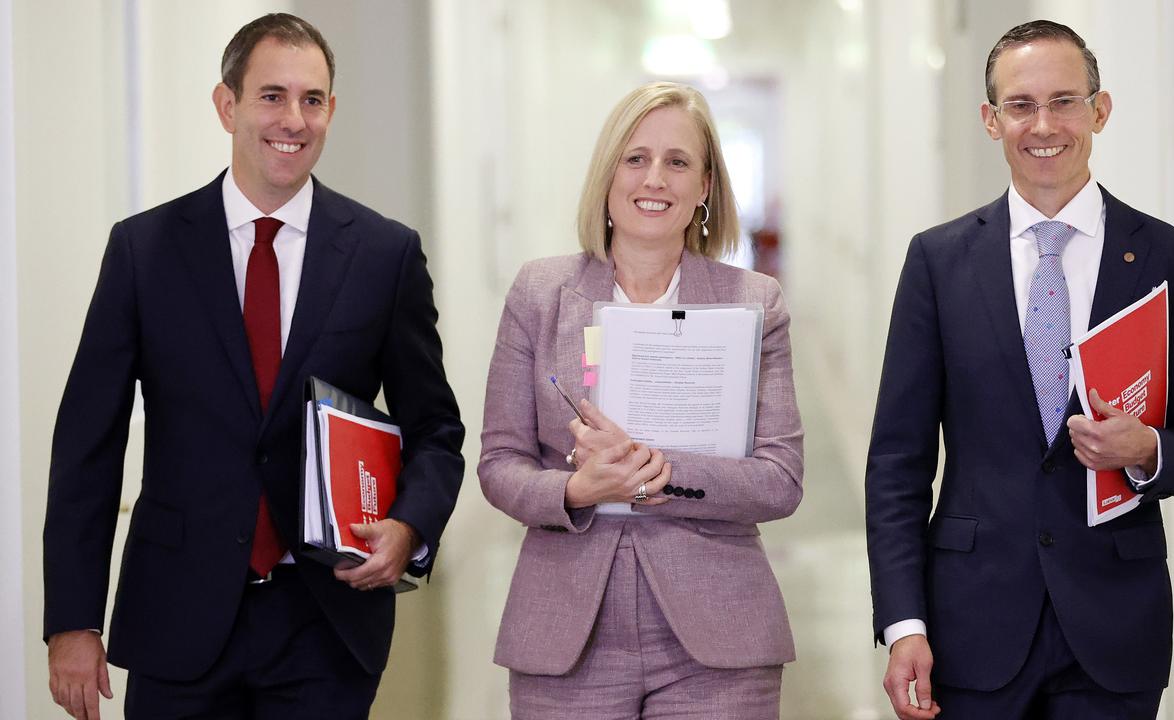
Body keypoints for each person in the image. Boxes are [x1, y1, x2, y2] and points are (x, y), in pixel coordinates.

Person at [43, 13, 465, 719]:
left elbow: (436, 430)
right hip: (176, 617)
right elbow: (88, 446)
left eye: (313, 99)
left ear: (332, 110)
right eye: (272, 95)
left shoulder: (385, 255)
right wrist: (71, 620)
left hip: (325, 625)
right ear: (227, 105)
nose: (293, 120)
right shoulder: (144, 251)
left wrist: (410, 527)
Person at [865, 19, 1174, 720]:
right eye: (1021, 104)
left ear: (1100, 109)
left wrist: (1147, 451)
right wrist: (904, 624)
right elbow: (897, 463)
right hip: (972, 625)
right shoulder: (938, 263)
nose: (1044, 124)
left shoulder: (1170, 262)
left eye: (1064, 101)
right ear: (989, 119)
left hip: (1115, 630)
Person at [478, 81, 804, 719]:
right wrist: (577, 489)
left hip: (718, 634)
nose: (655, 179)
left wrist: (662, 470)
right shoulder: (539, 293)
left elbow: (781, 480)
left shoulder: (753, 302)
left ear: (704, 187)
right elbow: (500, 462)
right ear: (607, 176)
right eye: (636, 158)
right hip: (567, 628)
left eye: (678, 162)